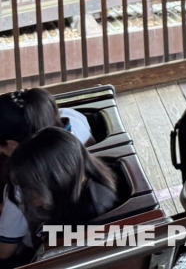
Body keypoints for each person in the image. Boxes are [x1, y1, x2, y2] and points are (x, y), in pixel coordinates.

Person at [0, 90, 95, 265]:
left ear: (13, 145)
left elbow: (4, 251)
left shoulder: (22, 186)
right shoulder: (72, 119)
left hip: (45, 248)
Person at [7, 129, 119, 259]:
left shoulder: (75, 232)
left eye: (36, 190)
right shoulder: (91, 180)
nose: (34, 201)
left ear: (58, 179)